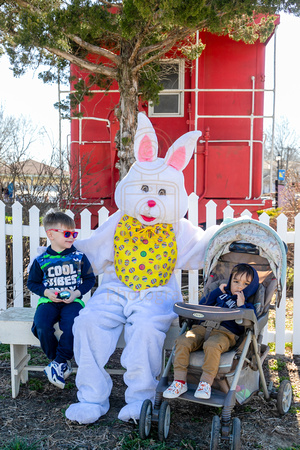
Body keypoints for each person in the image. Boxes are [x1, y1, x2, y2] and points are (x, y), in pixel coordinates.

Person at [163, 263, 259, 400]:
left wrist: (241, 306)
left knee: (212, 345)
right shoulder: (220, 296)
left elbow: (244, 328)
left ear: (252, 287)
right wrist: (218, 292)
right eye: (236, 281)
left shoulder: (247, 306)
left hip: (225, 334)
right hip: (201, 328)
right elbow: (202, 306)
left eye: (245, 284)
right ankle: (179, 382)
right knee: (182, 340)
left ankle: (205, 383)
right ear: (230, 281)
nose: (239, 286)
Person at [27, 211, 96, 389]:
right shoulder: (41, 260)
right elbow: (32, 283)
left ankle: (58, 362)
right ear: (51, 234)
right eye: (67, 234)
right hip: (48, 301)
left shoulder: (79, 258)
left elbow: (89, 280)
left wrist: (76, 294)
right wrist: (46, 292)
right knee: (40, 326)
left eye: (74, 233)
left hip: (72, 302)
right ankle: (58, 362)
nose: (72, 237)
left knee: (74, 325)